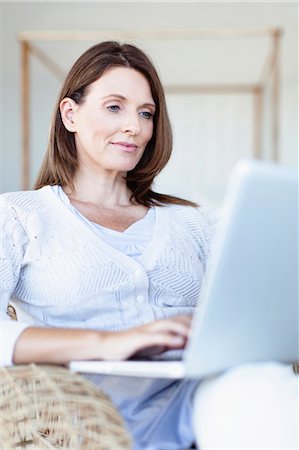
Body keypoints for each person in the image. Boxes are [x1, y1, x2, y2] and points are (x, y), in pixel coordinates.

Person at [0, 41, 296, 450]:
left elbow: (250, 308)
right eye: (115, 107)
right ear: (70, 114)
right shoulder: (19, 215)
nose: (134, 127)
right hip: (82, 408)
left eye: (146, 113)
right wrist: (112, 343)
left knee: (266, 389)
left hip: (202, 395)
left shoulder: (193, 222)